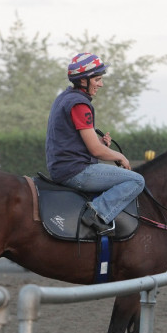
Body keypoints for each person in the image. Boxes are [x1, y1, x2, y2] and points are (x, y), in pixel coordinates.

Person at [45, 52, 145, 235]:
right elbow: (95, 150)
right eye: (97, 79)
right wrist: (119, 156)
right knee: (136, 180)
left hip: (63, 167)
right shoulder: (79, 104)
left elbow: (77, 142)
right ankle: (96, 214)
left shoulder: (65, 98)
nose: (101, 84)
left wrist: (100, 143)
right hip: (75, 171)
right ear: (83, 81)